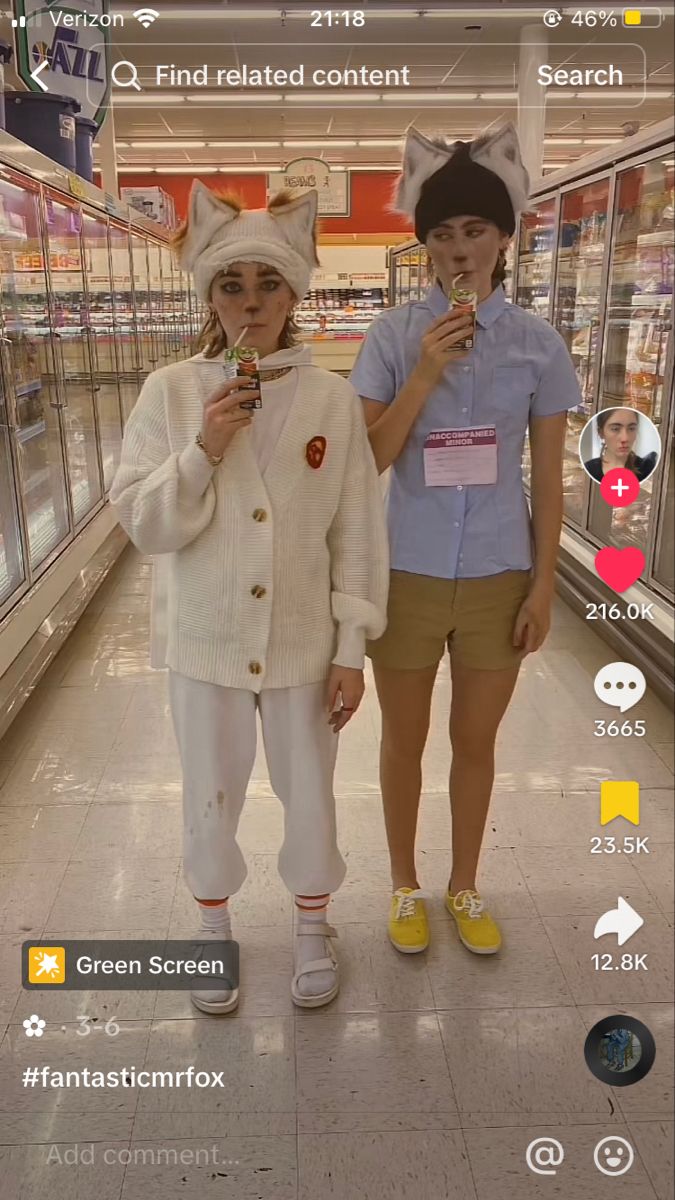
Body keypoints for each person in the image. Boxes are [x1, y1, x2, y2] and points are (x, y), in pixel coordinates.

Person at [110, 182, 388, 1012]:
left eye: (269, 283)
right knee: (209, 788)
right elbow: (143, 522)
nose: (252, 301)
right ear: (209, 293)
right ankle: (212, 929)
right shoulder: (171, 392)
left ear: (297, 291)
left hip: (304, 642)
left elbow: (357, 531)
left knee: (309, 788)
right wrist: (206, 445)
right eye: (232, 284)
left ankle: (311, 925)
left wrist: (350, 650)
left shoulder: (331, 401)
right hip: (204, 641)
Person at [350, 124, 582, 958]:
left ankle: (465, 884)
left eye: (474, 231)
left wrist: (541, 586)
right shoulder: (388, 337)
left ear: (501, 239)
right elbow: (369, 459)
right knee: (402, 742)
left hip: (497, 570)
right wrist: (422, 371)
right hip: (405, 569)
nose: (458, 249)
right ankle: (405, 885)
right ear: (424, 246)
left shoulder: (537, 346)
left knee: (474, 744)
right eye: (442, 234)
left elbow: (550, 478)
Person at [584, 407, 657, 483]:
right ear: (601, 433)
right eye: (615, 429)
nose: (625, 438)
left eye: (631, 429)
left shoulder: (647, 469)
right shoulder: (589, 470)